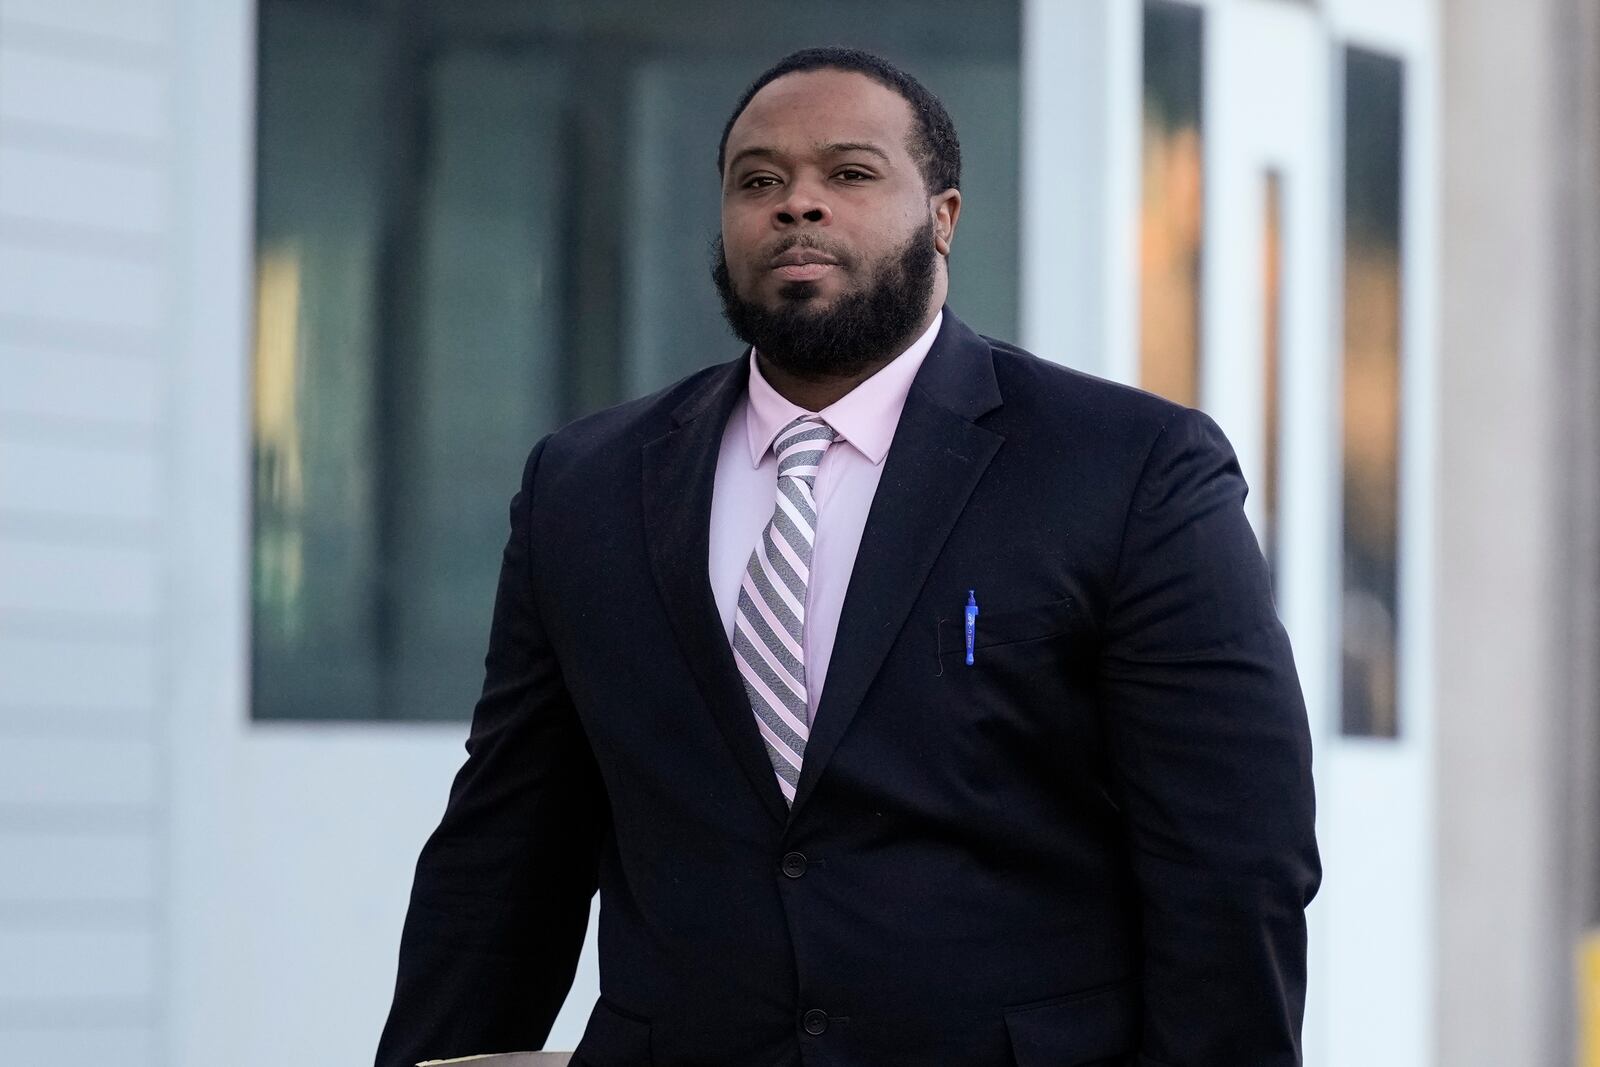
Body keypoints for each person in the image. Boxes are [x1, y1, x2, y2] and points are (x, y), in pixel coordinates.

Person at [375, 46, 1321, 1067]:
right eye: (759, 180)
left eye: (849, 173)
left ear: (943, 216)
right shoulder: (586, 486)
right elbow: (509, 846)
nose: (798, 205)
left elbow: (1229, 860)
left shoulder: (1125, 467)